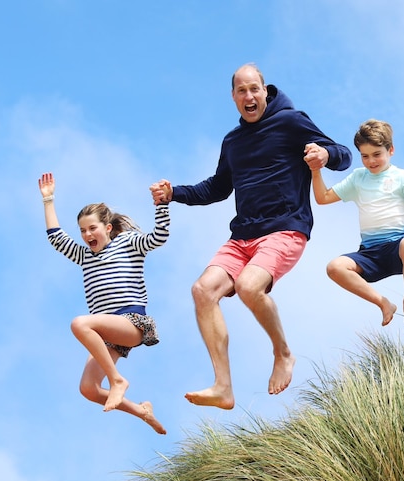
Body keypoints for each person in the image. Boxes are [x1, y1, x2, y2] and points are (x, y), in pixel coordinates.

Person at [150, 63, 352, 410]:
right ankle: (223, 387)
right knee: (202, 291)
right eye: (241, 91)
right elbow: (216, 188)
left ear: (265, 90)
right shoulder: (233, 141)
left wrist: (324, 153)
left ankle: (283, 353)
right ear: (233, 97)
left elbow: (344, 156)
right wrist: (174, 194)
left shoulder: (290, 121)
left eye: (254, 89)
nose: (249, 96)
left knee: (248, 286)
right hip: (243, 236)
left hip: (286, 228)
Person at [39, 172, 169, 434]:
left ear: (107, 228)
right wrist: (48, 200)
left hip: (131, 322)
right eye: (83, 230)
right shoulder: (84, 255)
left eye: (92, 228)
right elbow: (55, 237)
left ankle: (117, 380)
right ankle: (142, 411)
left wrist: (162, 205)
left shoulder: (127, 243)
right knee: (88, 389)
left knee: (80, 324)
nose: (87, 234)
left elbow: (159, 238)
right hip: (108, 334)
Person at [309, 119, 404, 326]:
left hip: (398, 248)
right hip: (370, 253)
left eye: (377, 154)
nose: (371, 161)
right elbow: (323, 198)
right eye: (365, 156)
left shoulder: (403, 177)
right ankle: (383, 303)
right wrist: (315, 170)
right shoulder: (358, 178)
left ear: (391, 150)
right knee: (335, 267)